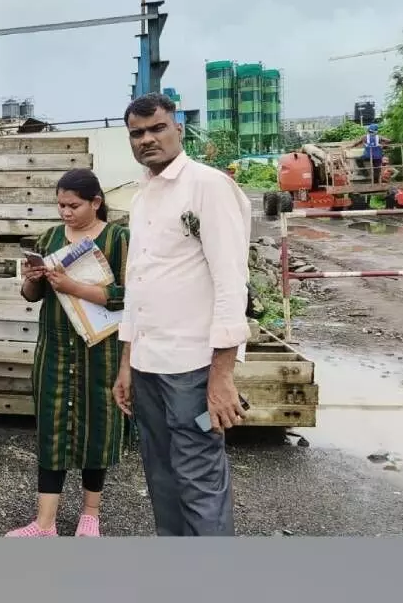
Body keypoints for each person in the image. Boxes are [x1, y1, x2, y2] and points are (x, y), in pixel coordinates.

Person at [111, 92, 252, 537]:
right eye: (137, 133)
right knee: (162, 479)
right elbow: (138, 285)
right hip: (149, 366)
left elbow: (231, 284)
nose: (147, 140)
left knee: (199, 480)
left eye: (157, 129)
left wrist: (223, 375)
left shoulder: (207, 187)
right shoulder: (142, 196)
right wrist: (126, 364)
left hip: (192, 367)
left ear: (179, 130)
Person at [6, 168, 130, 538]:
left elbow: (131, 296)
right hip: (56, 346)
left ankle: (90, 516)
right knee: (52, 428)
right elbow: (33, 297)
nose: (65, 213)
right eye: (60, 205)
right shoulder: (50, 237)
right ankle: (45, 523)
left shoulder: (119, 239)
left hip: (101, 348)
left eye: (73, 205)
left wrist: (74, 286)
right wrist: (31, 280)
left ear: (96, 202)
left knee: (97, 427)